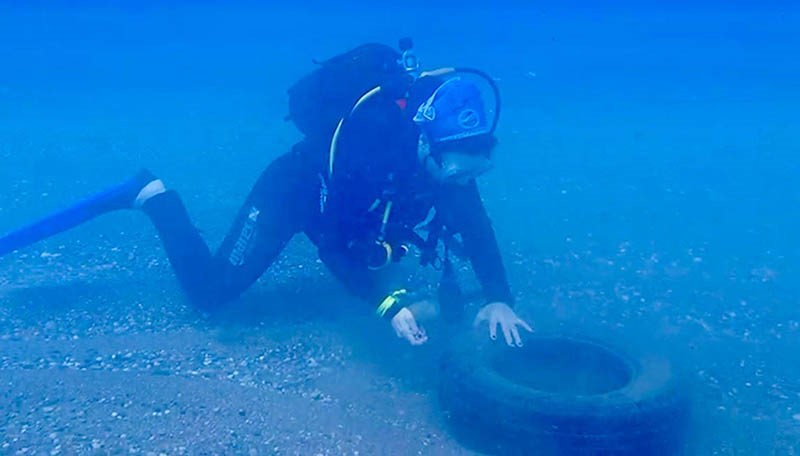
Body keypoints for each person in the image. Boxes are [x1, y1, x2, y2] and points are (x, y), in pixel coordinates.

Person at [0, 41, 532, 347]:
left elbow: (473, 222)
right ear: (424, 144)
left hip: (355, 207)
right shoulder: (369, 149)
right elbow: (331, 241)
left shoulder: (449, 164)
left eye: (472, 172)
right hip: (297, 191)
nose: (460, 182)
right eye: (453, 170)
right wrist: (386, 302)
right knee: (211, 294)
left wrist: (499, 296)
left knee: (383, 260)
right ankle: (152, 196)